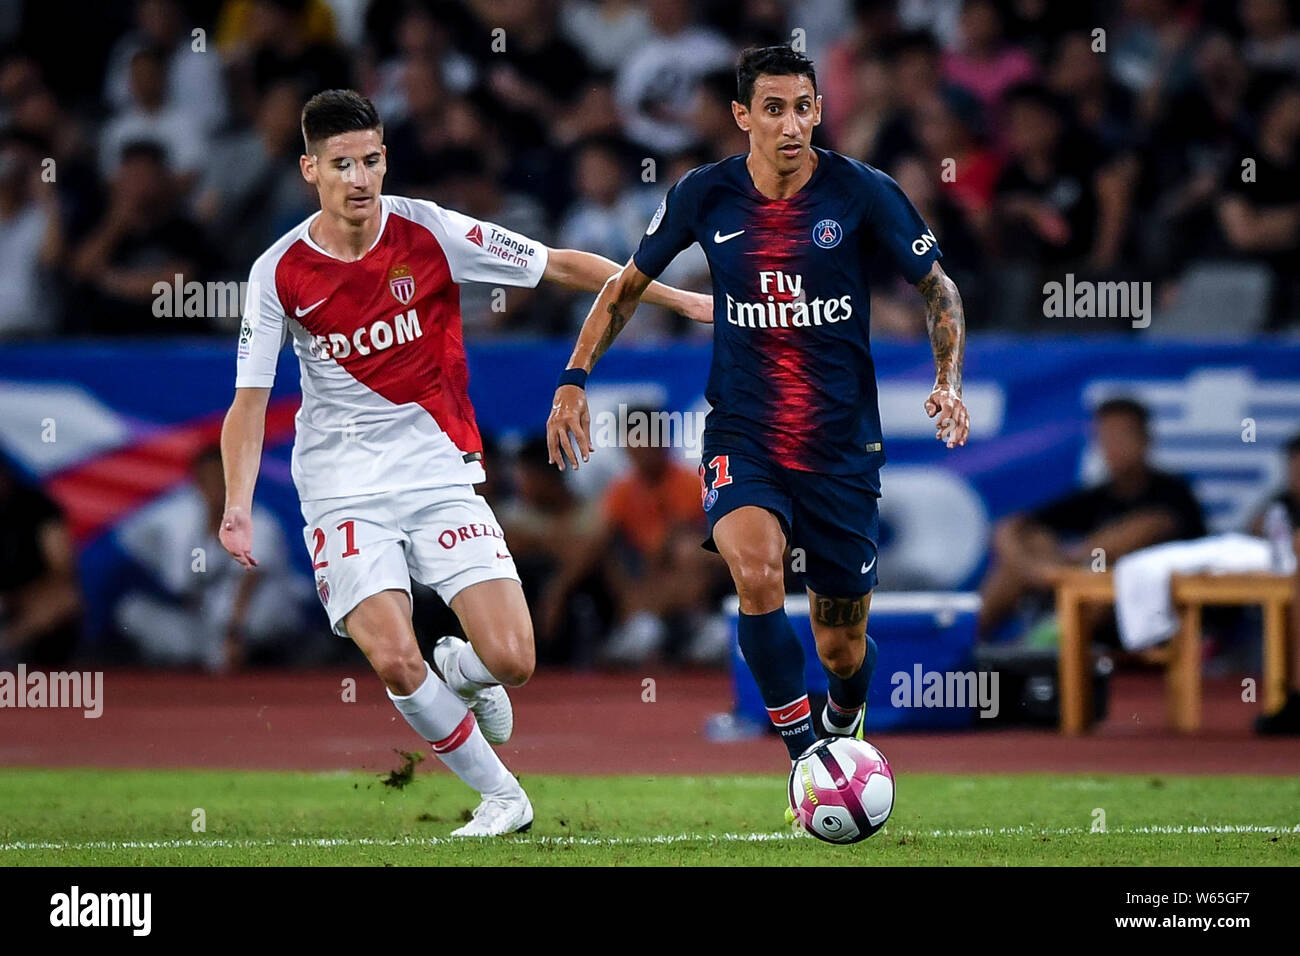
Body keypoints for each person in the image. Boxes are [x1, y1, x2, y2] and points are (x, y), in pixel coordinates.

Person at [219, 89, 709, 837]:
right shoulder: (276, 271)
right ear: (309, 169)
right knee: (392, 657)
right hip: (343, 488)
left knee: (513, 660)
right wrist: (237, 503)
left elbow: (559, 265)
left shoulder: (430, 229)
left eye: (372, 160)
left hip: (439, 475)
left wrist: (674, 296)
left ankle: (464, 669)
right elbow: (249, 403)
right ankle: (504, 797)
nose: (360, 178)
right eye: (342, 164)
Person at [547, 47, 969, 780]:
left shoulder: (862, 191)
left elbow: (939, 289)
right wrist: (575, 376)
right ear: (743, 116)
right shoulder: (704, 195)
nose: (791, 124)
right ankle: (808, 759)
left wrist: (949, 379)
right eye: (773, 109)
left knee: (842, 643)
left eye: (804, 107)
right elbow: (623, 287)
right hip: (744, 432)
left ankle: (843, 719)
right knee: (757, 572)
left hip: (841, 447)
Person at [978, 397, 1206, 639]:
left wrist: (1071, 561)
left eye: (1122, 436)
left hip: (1152, 609)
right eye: (1105, 437)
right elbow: (1010, 527)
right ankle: (960, 653)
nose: (1113, 446)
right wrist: (1032, 567)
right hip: (1067, 582)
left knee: (1107, 577)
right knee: (1030, 546)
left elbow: (1143, 531)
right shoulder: (1095, 496)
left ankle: (1048, 649)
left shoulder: (1173, 493)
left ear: (1145, 439)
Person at [115, 444, 304, 671]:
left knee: (257, 614)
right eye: (208, 480)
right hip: (206, 622)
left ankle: (235, 655)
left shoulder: (260, 523)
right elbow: (130, 535)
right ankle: (202, 659)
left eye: (221, 479)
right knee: (133, 611)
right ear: (197, 484)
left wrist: (234, 632)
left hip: (248, 618)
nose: (215, 487)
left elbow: (249, 582)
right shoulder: (183, 525)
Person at [0, 459, 82, 667]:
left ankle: (6, 646)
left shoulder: (37, 508)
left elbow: (61, 568)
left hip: (26, 597)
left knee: (65, 597)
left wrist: (18, 596)